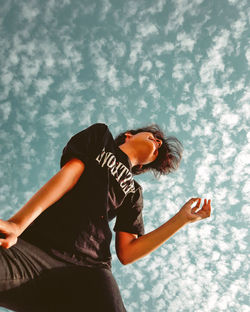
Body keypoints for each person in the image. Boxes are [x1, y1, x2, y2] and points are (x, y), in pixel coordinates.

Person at [0, 123, 211, 312]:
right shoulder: (101, 138)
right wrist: (18, 224)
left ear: (141, 167)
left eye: (158, 148)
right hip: (33, 251)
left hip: (88, 270)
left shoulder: (134, 192)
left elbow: (127, 252)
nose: (157, 142)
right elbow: (70, 173)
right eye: (154, 137)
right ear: (128, 135)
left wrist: (181, 219)